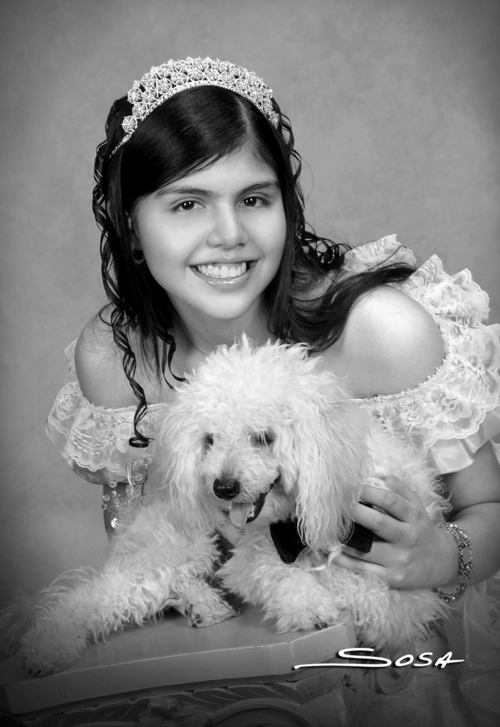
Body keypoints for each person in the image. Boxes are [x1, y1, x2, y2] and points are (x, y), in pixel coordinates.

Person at [46, 57, 500, 725]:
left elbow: (490, 506)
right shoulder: (116, 359)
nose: (229, 235)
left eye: (254, 199)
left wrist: (440, 555)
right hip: (240, 650)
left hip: (398, 653)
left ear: (285, 207)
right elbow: (135, 525)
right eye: (187, 203)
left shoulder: (384, 332)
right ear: (132, 226)